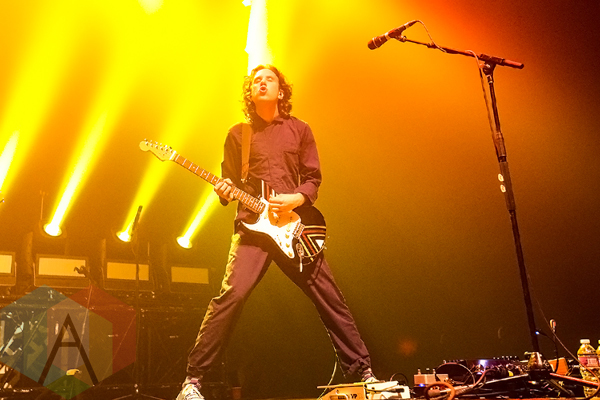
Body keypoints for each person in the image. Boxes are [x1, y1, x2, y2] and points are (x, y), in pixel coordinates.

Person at [176, 65, 375, 400]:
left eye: (269, 79)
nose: (262, 83)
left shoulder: (300, 129)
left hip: (293, 228)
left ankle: (364, 373)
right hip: (252, 229)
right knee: (232, 296)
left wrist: (296, 198)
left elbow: (312, 179)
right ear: (250, 94)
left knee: (329, 296)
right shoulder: (238, 135)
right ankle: (192, 382)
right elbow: (229, 182)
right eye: (256, 80)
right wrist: (223, 190)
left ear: (281, 91)